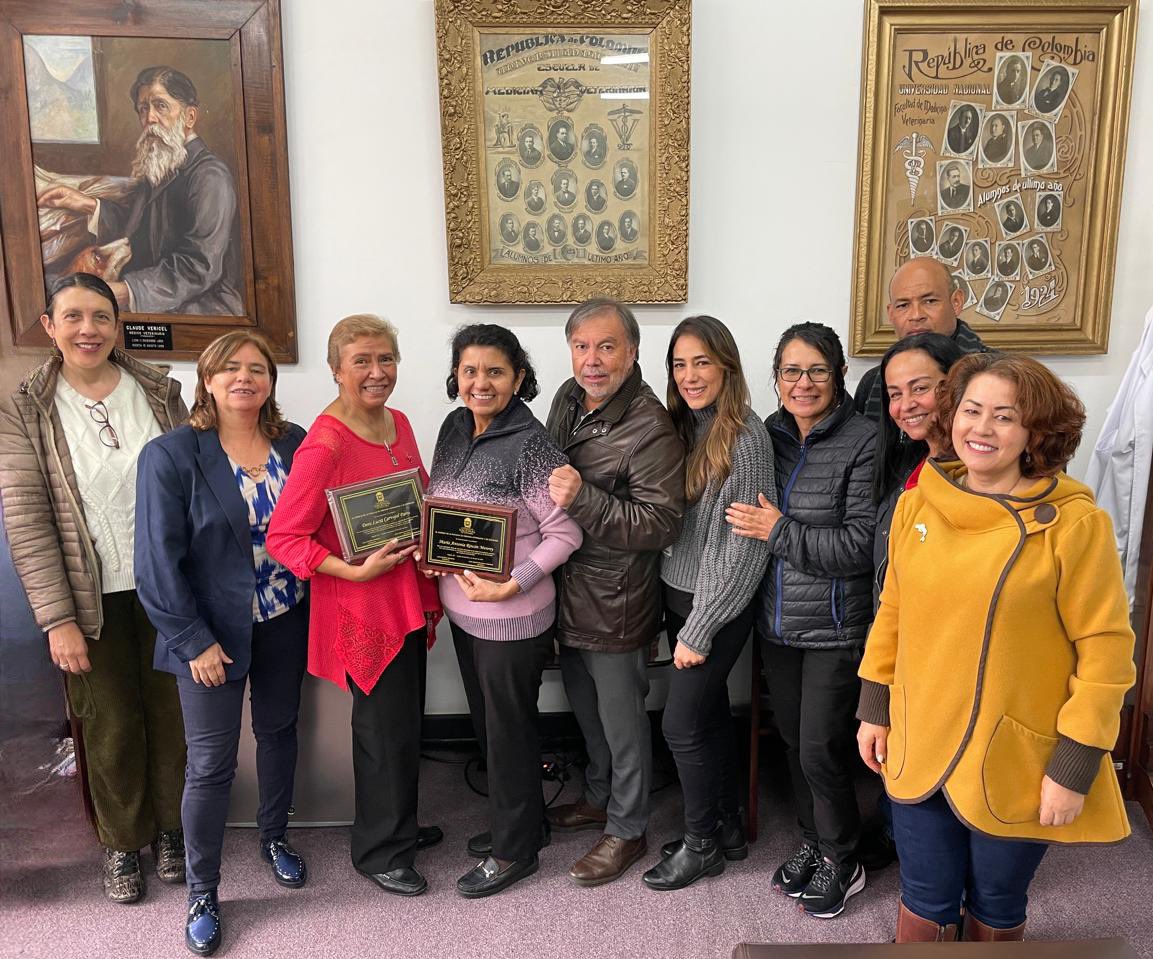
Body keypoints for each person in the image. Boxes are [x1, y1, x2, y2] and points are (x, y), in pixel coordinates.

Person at [857, 352, 1136, 942]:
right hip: (920, 734)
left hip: (1016, 755)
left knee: (998, 900)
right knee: (925, 899)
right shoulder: (917, 505)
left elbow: (1106, 651)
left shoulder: (1073, 524)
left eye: (1004, 417)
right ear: (950, 417)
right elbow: (894, 613)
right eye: (971, 410)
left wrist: (1076, 762)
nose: (982, 429)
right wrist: (874, 707)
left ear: (1035, 433)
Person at [0, 272, 187, 904]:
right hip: (89, 599)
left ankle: (171, 832)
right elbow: (26, 516)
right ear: (49, 326)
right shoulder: (25, 407)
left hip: (168, 589)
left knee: (172, 717)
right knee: (108, 724)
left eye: (101, 317)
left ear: (117, 325)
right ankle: (119, 841)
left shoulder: (160, 392)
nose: (88, 330)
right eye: (73, 317)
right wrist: (57, 620)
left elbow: (193, 491)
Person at [135, 332, 308, 956]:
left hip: (286, 618)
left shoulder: (295, 442)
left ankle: (274, 838)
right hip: (210, 636)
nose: (245, 378)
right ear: (206, 379)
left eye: (257, 369)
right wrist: (192, 641)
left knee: (280, 732)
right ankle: (203, 891)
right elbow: (157, 565)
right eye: (229, 368)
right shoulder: (172, 454)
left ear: (270, 381)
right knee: (210, 764)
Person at [266, 315, 443, 898]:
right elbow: (285, 538)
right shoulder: (326, 443)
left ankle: (398, 827)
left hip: (406, 593)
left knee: (402, 726)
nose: (377, 372)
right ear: (336, 369)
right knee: (381, 733)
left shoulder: (399, 422)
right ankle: (379, 852)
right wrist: (351, 569)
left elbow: (417, 495)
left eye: (386, 359)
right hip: (364, 605)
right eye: (362, 361)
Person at [425, 324, 582, 898]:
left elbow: (565, 536)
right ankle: (523, 825)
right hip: (465, 614)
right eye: (470, 371)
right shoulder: (454, 426)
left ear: (518, 377)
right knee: (491, 729)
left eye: (495, 371)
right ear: (456, 376)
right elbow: (445, 506)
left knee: (509, 732)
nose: (480, 382)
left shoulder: (532, 443)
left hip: (512, 619)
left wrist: (511, 584)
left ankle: (514, 851)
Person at [727, 323, 876, 919]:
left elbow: (861, 545)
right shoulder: (769, 435)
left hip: (838, 627)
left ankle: (845, 858)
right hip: (779, 624)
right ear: (776, 379)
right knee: (793, 744)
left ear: (838, 375)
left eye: (816, 370)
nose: (803, 382)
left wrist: (779, 532)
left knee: (820, 749)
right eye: (791, 371)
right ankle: (814, 843)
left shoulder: (863, 439)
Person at [544, 299, 685, 887]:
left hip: (616, 596)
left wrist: (582, 500)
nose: (592, 360)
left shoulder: (651, 425)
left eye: (606, 347)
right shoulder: (566, 399)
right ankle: (598, 799)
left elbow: (660, 524)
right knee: (586, 711)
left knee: (622, 721)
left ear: (632, 352)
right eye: (582, 346)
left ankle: (628, 829)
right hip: (565, 584)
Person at [641, 315, 773, 892]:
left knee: (682, 722)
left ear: (727, 366)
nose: (690, 375)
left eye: (702, 362)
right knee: (710, 712)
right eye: (680, 363)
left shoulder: (746, 438)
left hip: (715, 604)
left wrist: (700, 627)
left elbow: (744, 551)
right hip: (679, 593)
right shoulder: (683, 427)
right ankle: (725, 826)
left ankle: (701, 848)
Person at [37, 67, 242, 315]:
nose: (150, 119)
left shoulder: (210, 176)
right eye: (143, 109)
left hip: (199, 306)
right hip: (149, 292)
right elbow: (143, 230)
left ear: (189, 116)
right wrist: (90, 205)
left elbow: (199, 266)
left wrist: (124, 292)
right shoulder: (163, 162)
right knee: (48, 285)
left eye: (160, 106)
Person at [854, 258, 987, 420]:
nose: (916, 316)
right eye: (903, 305)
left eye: (930, 301)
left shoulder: (996, 373)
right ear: (891, 314)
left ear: (956, 302)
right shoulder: (872, 382)